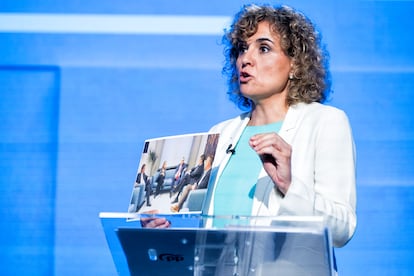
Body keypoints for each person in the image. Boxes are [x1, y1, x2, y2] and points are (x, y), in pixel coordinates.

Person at [141, 3, 357, 254]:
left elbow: (343, 228)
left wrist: (290, 186)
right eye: (242, 49)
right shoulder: (221, 134)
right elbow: (207, 235)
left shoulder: (325, 122)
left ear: (295, 65)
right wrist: (167, 231)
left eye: (264, 48)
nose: (246, 59)